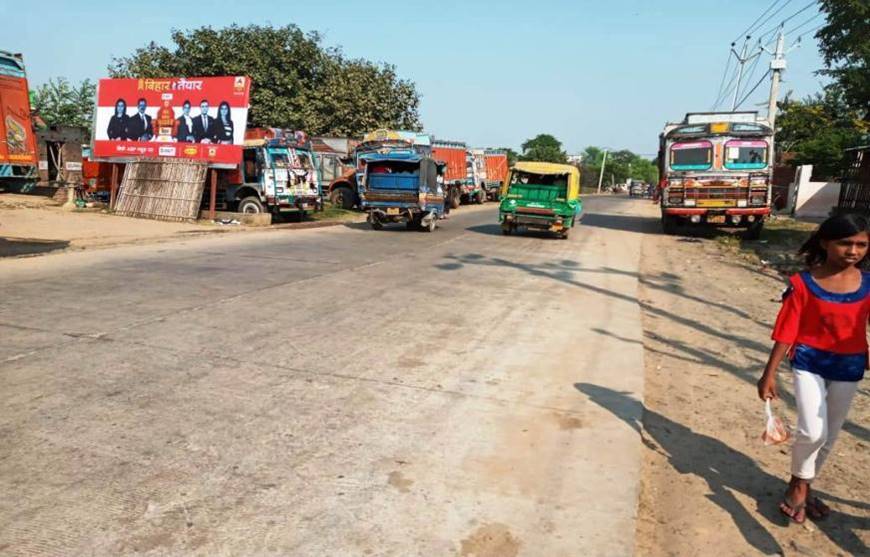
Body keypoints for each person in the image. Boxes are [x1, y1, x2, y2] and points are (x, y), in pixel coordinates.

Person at [757, 214, 869, 524]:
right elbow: (786, 330)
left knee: (830, 435)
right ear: (825, 243)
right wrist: (769, 373)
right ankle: (799, 484)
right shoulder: (803, 284)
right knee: (812, 430)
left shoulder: (868, 284)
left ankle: (803, 484)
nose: (853, 250)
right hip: (809, 362)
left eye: (861, 244)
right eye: (845, 243)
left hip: (849, 366)